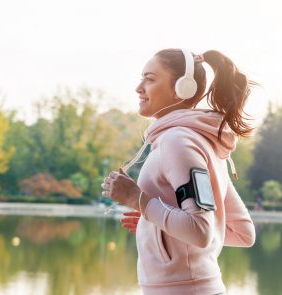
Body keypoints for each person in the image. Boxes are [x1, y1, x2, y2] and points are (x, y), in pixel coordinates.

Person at [101, 48, 256, 295]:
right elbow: (242, 232)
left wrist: (136, 199)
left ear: (182, 88)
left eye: (150, 79)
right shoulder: (202, 142)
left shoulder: (177, 142)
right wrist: (155, 220)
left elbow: (202, 231)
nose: (139, 87)